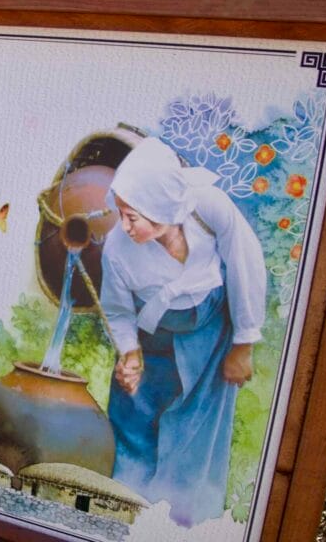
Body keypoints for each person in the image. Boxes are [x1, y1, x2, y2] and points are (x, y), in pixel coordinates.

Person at [99, 137, 266, 527]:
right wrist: (130, 353)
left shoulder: (209, 208)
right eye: (120, 212)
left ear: (160, 205)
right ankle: (124, 515)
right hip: (152, 335)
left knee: (195, 431)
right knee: (134, 418)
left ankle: (180, 522)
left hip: (209, 337)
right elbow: (118, 309)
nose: (124, 225)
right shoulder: (117, 249)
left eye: (132, 215)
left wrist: (243, 343)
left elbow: (245, 265)